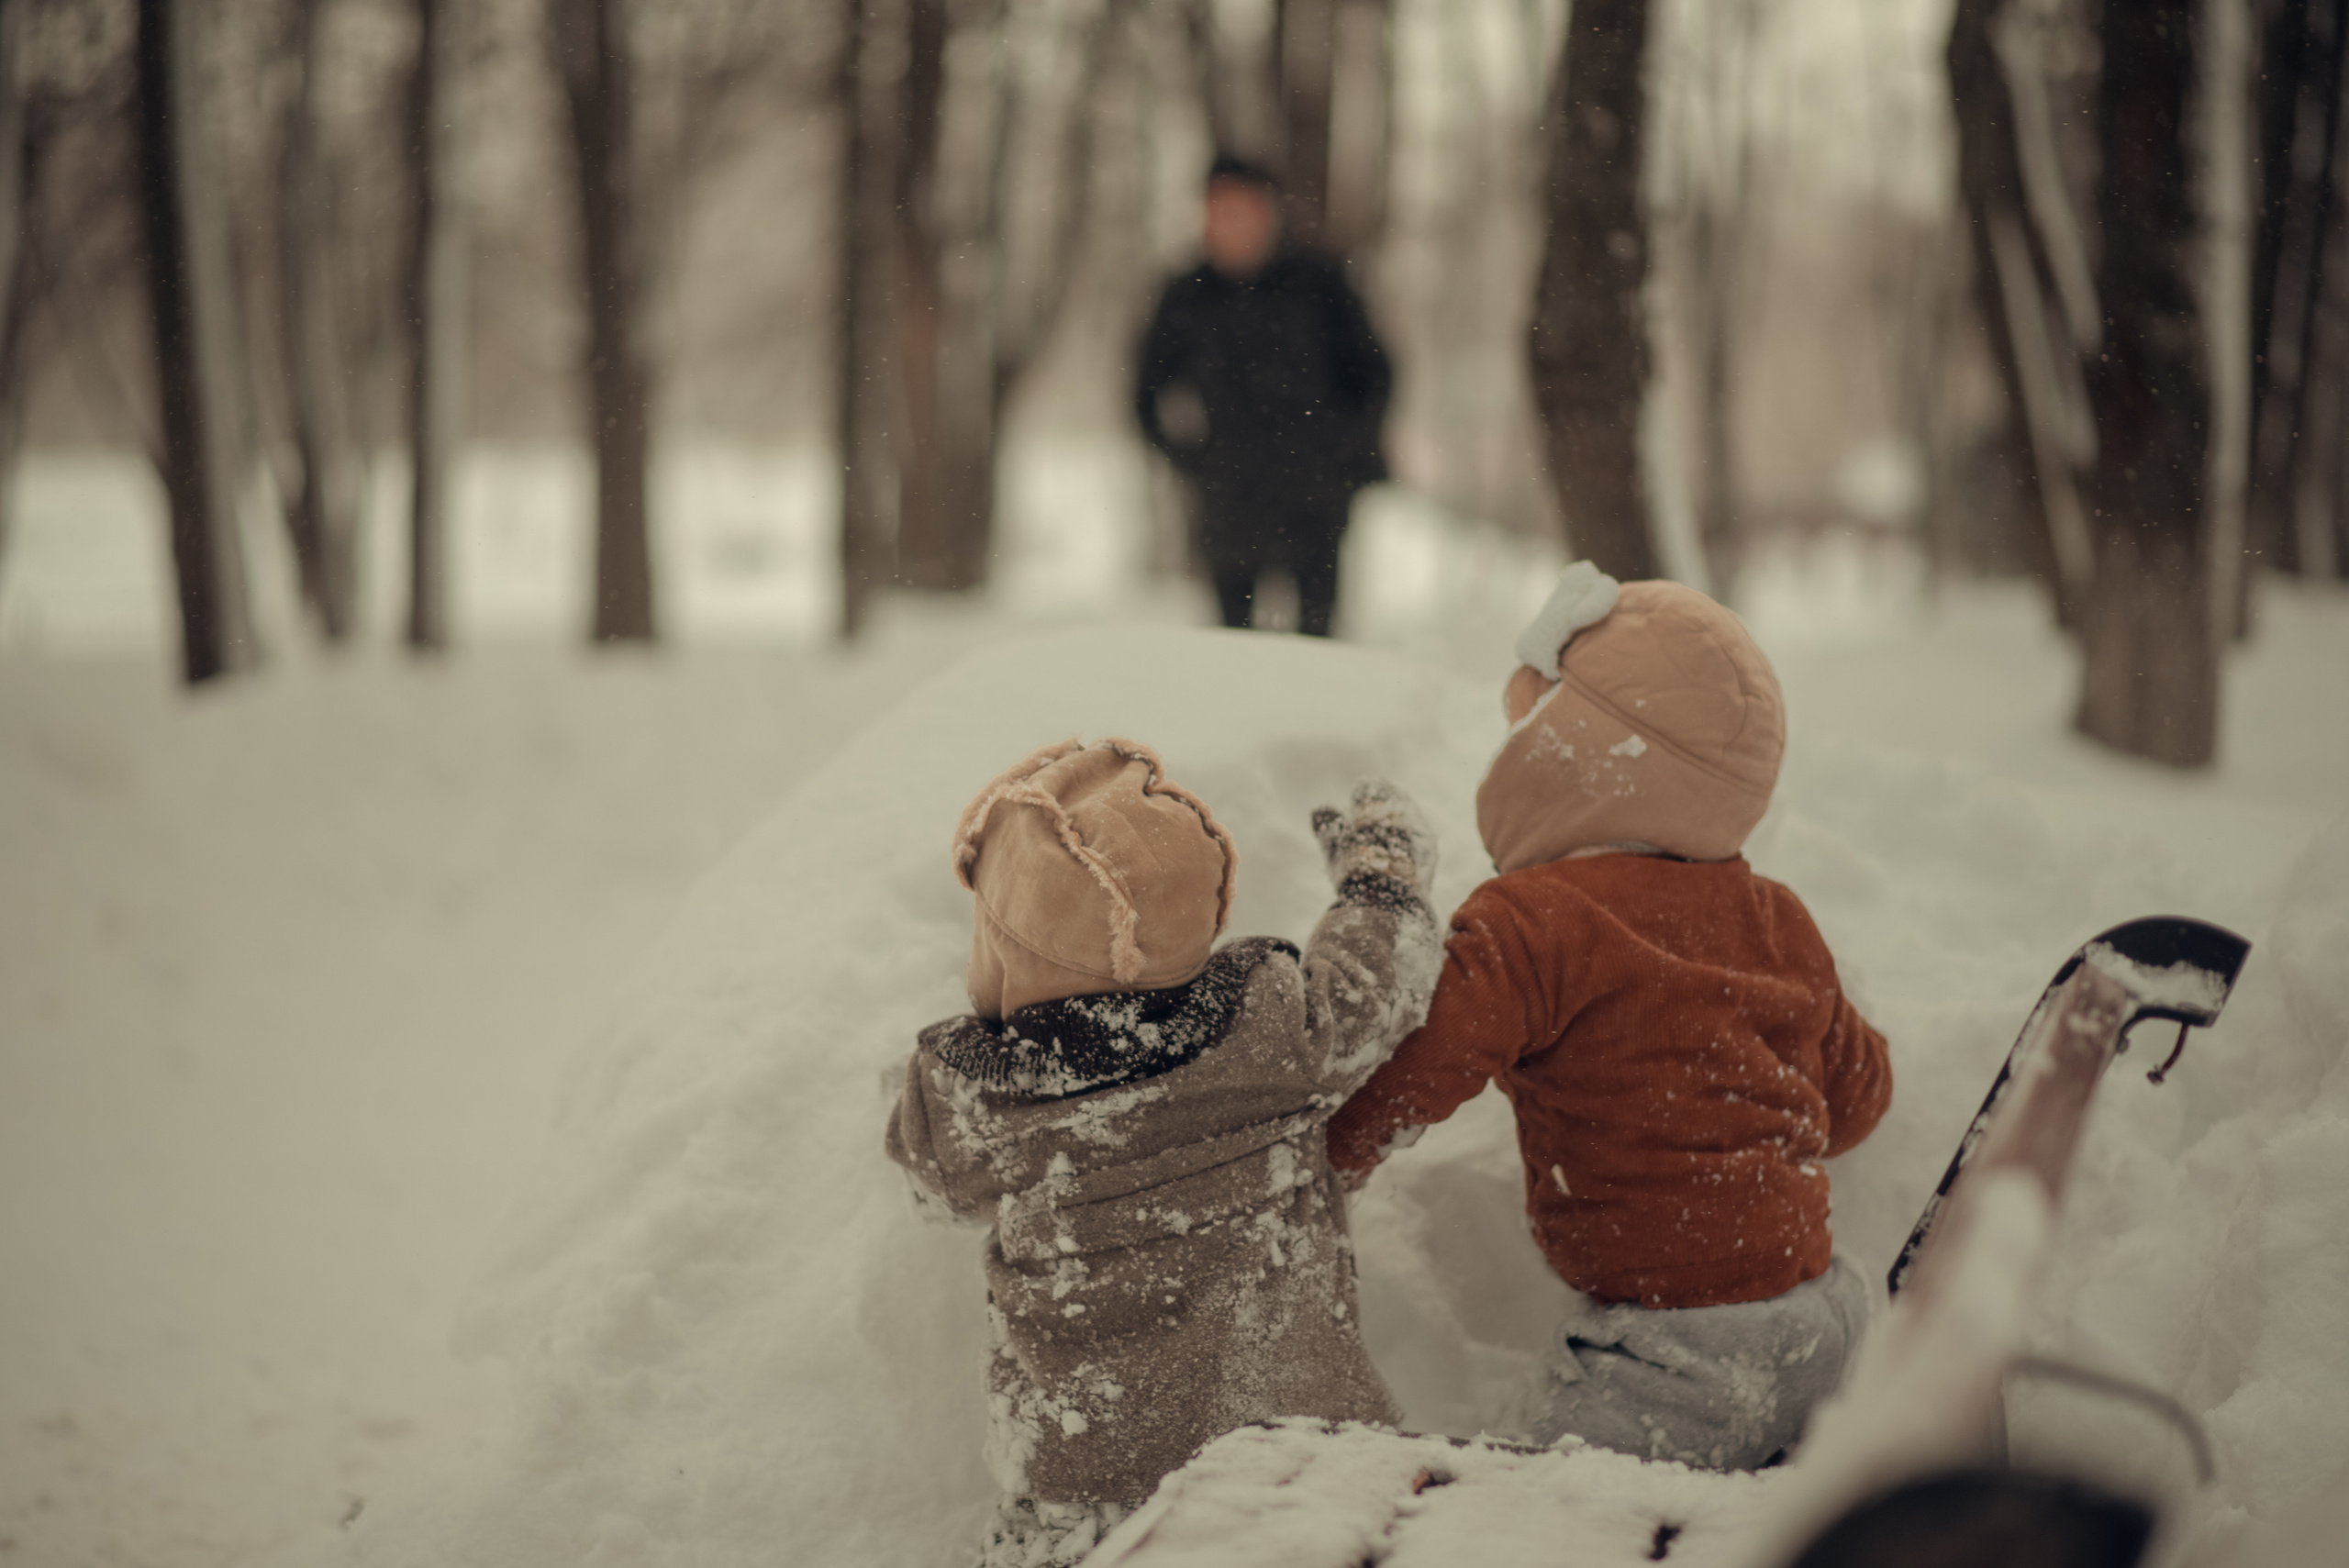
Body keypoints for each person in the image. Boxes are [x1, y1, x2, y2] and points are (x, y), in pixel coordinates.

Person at [1325, 563, 1895, 1473]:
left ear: (1567, 749)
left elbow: (1420, 1062)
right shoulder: (1777, 915)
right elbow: (1859, 1099)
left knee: (1509, 1508)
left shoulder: (1529, 920)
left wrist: (1326, 1147)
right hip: (1824, 1316)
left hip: (1675, 1357)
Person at [885, 740, 1440, 1567]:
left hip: (1083, 1488)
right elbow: (1374, 979)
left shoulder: (973, 1101)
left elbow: (928, 1182)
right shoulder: (1274, 1031)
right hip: (1296, 1462)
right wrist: (1378, 878)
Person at [1134, 155, 1393, 638]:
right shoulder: (1187, 294)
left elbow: (1374, 374)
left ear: (1270, 211)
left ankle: (1317, 715)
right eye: (1221, 209)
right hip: (1230, 496)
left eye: (1245, 208)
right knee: (1234, 643)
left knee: (1317, 637)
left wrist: (1343, 449)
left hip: (1316, 492)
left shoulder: (1320, 282)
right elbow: (1146, 392)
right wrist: (1190, 459)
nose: (1233, 222)